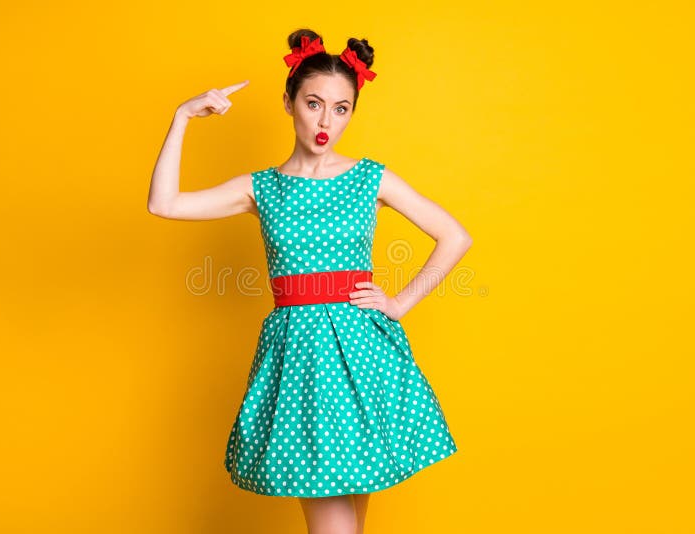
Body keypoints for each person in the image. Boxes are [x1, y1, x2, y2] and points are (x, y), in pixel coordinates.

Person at [148, 27, 473, 534]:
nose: (326, 121)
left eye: (341, 108)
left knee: (346, 524)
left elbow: (454, 236)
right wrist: (182, 118)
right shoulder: (261, 188)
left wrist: (399, 303)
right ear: (289, 102)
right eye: (314, 103)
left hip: (363, 357)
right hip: (300, 363)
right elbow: (163, 204)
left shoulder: (372, 178)